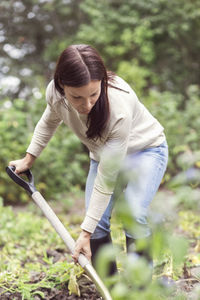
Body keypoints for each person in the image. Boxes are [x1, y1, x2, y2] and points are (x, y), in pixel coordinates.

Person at [9, 44, 168, 274]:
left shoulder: (118, 108)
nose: (87, 105)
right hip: (102, 156)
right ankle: (110, 287)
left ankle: (140, 290)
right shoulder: (55, 93)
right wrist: (28, 160)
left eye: (94, 94)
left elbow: (106, 180)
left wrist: (85, 233)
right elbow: (48, 121)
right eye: (77, 97)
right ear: (62, 86)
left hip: (145, 151)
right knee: (97, 221)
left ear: (102, 82)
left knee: (133, 213)